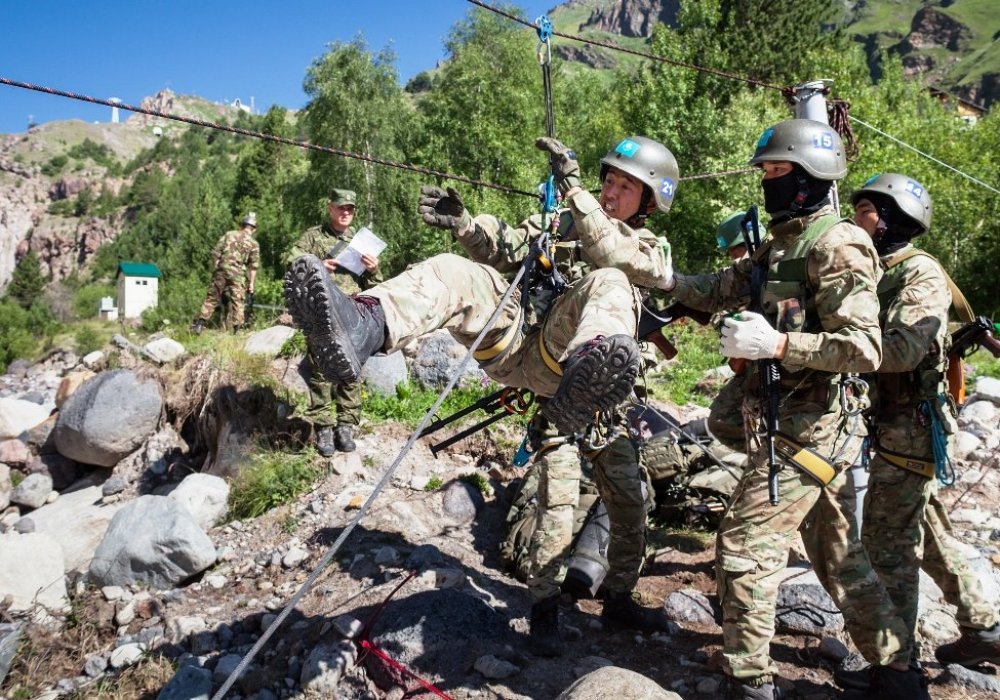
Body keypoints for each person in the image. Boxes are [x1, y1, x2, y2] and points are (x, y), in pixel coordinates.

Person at [285, 135, 678, 651]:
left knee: (626, 505)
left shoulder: (651, 250)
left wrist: (577, 191)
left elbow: (610, 250)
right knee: (455, 271)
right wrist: (467, 224)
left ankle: (620, 599)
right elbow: (505, 248)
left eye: (625, 187)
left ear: (649, 202)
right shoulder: (561, 222)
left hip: (593, 397)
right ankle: (363, 325)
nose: (610, 192)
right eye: (608, 180)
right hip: (536, 353)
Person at [661, 119, 927, 699]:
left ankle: (750, 682)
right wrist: (662, 278)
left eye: (778, 171)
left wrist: (779, 344)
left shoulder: (838, 243)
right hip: (782, 420)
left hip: (815, 427)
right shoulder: (779, 242)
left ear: (808, 179)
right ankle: (900, 671)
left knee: (744, 544)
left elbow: (864, 347)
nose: (767, 181)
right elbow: (720, 288)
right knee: (837, 552)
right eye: (765, 171)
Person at [833, 173, 1000, 689]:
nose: (853, 219)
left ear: (889, 217)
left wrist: (833, 348)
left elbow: (903, 350)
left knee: (887, 546)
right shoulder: (881, 271)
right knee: (926, 531)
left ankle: (897, 667)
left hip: (911, 429)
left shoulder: (918, 274)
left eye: (862, 209)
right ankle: (984, 625)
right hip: (896, 427)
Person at [283, 189, 381, 455]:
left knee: (351, 370)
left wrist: (374, 269)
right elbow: (288, 260)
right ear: (330, 208)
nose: (345, 212)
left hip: (351, 310)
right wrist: (316, 265)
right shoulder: (314, 236)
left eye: (350, 208)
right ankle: (324, 430)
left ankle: (345, 427)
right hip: (320, 312)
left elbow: (375, 288)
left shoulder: (362, 243)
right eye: (341, 208)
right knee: (320, 371)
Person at [192, 212, 260, 333]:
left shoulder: (229, 235)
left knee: (212, 298)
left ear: (242, 226)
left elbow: (215, 253)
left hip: (221, 271)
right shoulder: (253, 244)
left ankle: (199, 325)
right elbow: (253, 267)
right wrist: (251, 284)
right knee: (238, 302)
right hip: (238, 275)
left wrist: (217, 268)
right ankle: (238, 330)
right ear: (253, 229)